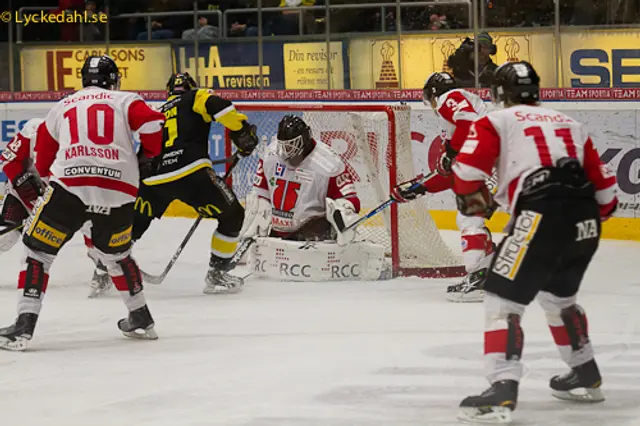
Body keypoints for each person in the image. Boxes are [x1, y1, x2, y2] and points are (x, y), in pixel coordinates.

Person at [452, 61, 616, 423]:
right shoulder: (571, 123)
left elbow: (465, 173)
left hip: (538, 214)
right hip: (585, 218)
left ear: (498, 93)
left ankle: (501, 389)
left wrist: (475, 219)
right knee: (560, 298)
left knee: (501, 301)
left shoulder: (495, 120)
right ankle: (585, 373)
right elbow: (607, 195)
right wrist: (575, 222)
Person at [0, 55, 165, 351]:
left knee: (38, 252)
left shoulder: (63, 106)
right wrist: (148, 156)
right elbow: (154, 124)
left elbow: (45, 160)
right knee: (118, 255)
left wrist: (57, 190)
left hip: (70, 187)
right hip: (119, 190)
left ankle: (24, 326)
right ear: (114, 79)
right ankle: (140, 317)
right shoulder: (126, 100)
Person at [107, 72, 258, 295]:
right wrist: (241, 132)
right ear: (190, 87)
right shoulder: (196, 96)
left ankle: (103, 271)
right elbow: (222, 108)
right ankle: (217, 274)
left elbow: (143, 151)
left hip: (153, 179)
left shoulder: (157, 111)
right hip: (190, 173)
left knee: (133, 225)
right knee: (232, 215)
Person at [241, 116, 387, 282]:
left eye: (290, 146)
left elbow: (349, 198)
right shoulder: (271, 154)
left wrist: (343, 211)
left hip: (312, 231)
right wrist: (260, 207)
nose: (285, 152)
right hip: (277, 231)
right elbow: (261, 189)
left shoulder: (328, 163)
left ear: (303, 141)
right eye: (283, 145)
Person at [390, 72, 494, 302]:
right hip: (495, 162)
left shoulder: (450, 97)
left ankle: (479, 280)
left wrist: (452, 152)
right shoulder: (463, 134)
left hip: (493, 160)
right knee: (473, 217)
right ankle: (490, 273)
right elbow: (451, 174)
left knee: (469, 218)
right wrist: (419, 188)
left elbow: (468, 120)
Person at [0, 119, 106, 298]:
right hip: (26, 194)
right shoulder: (34, 128)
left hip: (65, 196)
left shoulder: (89, 141)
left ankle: (103, 268)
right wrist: (28, 190)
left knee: (92, 227)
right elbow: (8, 160)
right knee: (6, 237)